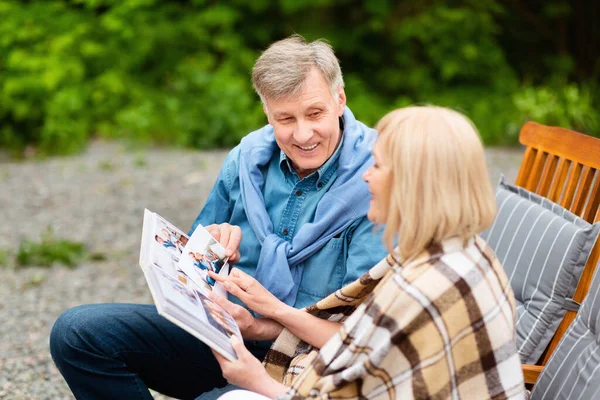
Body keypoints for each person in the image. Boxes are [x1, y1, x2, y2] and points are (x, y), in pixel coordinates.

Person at [49, 34, 387, 399]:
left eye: (315, 114)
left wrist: (259, 327)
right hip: (225, 335)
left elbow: (363, 330)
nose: (303, 134)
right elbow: (186, 273)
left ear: (340, 99)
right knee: (77, 332)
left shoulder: (379, 177)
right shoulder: (246, 159)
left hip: (311, 358)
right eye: (285, 118)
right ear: (267, 112)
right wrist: (211, 248)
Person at [206, 106, 526, 400]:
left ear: (415, 183)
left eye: (379, 165)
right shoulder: (464, 250)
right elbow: (358, 343)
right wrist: (269, 314)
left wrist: (255, 380)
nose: (366, 175)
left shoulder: (423, 287)